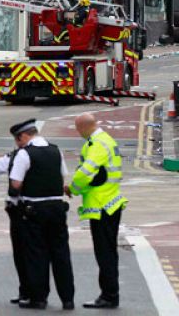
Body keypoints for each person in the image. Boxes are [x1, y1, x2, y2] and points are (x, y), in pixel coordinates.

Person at [8, 119, 74, 310]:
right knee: (61, 253)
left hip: (34, 209)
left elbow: (16, 184)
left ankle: (39, 298)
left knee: (37, 254)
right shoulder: (55, 150)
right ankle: (67, 298)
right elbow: (61, 176)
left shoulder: (24, 154)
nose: (18, 144)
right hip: (57, 208)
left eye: (17, 140)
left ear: (23, 136)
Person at [67, 113, 127, 309]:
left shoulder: (97, 145)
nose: (78, 134)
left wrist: (72, 188)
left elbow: (87, 172)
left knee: (105, 254)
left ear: (83, 127)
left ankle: (109, 296)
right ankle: (110, 294)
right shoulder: (105, 140)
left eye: (78, 130)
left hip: (103, 206)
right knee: (108, 252)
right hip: (110, 203)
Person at [0, 131, 30, 306]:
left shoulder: (23, 155)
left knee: (27, 253)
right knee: (24, 254)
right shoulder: (16, 155)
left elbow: (14, 185)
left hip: (25, 209)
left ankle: (31, 292)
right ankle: (27, 291)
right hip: (23, 210)